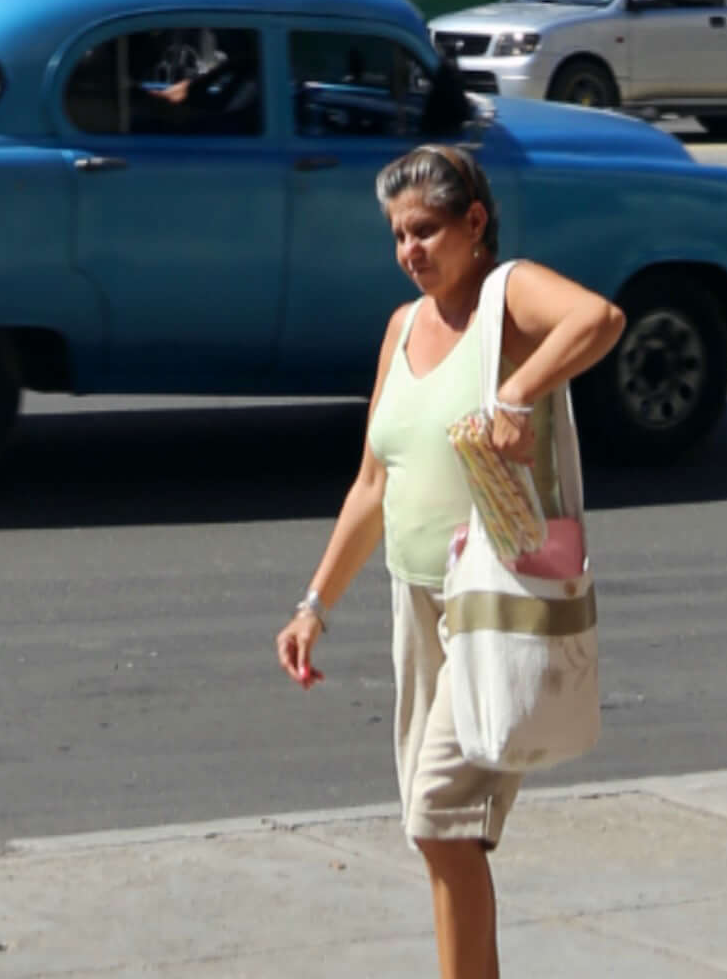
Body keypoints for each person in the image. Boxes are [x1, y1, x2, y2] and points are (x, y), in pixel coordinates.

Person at [275, 141, 622, 979]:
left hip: (490, 606)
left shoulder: (508, 298)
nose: (410, 252)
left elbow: (599, 319)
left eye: (426, 230)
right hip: (418, 606)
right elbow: (372, 482)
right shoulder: (402, 328)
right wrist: (314, 604)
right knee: (440, 833)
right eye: (398, 236)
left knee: (438, 821)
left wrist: (515, 392)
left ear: (475, 223)